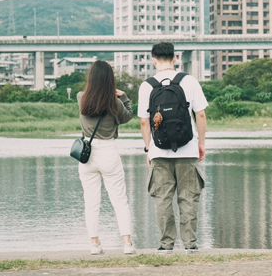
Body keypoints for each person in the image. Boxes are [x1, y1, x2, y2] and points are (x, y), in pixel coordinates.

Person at [139, 42, 208, 254]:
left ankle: (166, 246)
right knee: (188, 198)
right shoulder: (189, 81)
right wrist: (201, 143)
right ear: (175, 58)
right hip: (187, 150)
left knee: (162, 199)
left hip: (159, 152)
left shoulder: (147, 85)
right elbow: (201, 115)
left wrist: (148, 149)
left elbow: (144, 122)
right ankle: (190, 245)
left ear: (153, 59)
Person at [77, 60, 135, 255]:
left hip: (87, 154)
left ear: (91, 78)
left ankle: (95, 244)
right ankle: (127, 244)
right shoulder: (115, 103)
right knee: (120, 200)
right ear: (110, 79)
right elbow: (128, 116)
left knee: (91, 201)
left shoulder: (81, 98)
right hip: (108, 152)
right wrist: (124, 97)